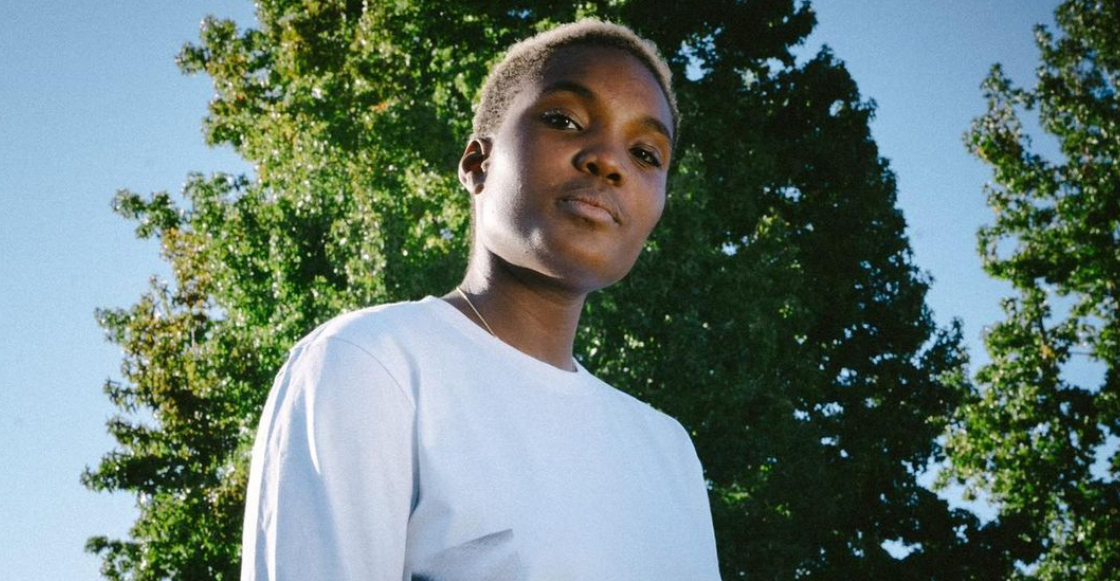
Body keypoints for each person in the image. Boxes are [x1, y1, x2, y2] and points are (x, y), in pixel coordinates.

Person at [240, 18, 721, 581]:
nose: (608, 161)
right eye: (564, 120)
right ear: (477, 164)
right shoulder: (372, 364)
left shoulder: (668, 451)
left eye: (645, 153)